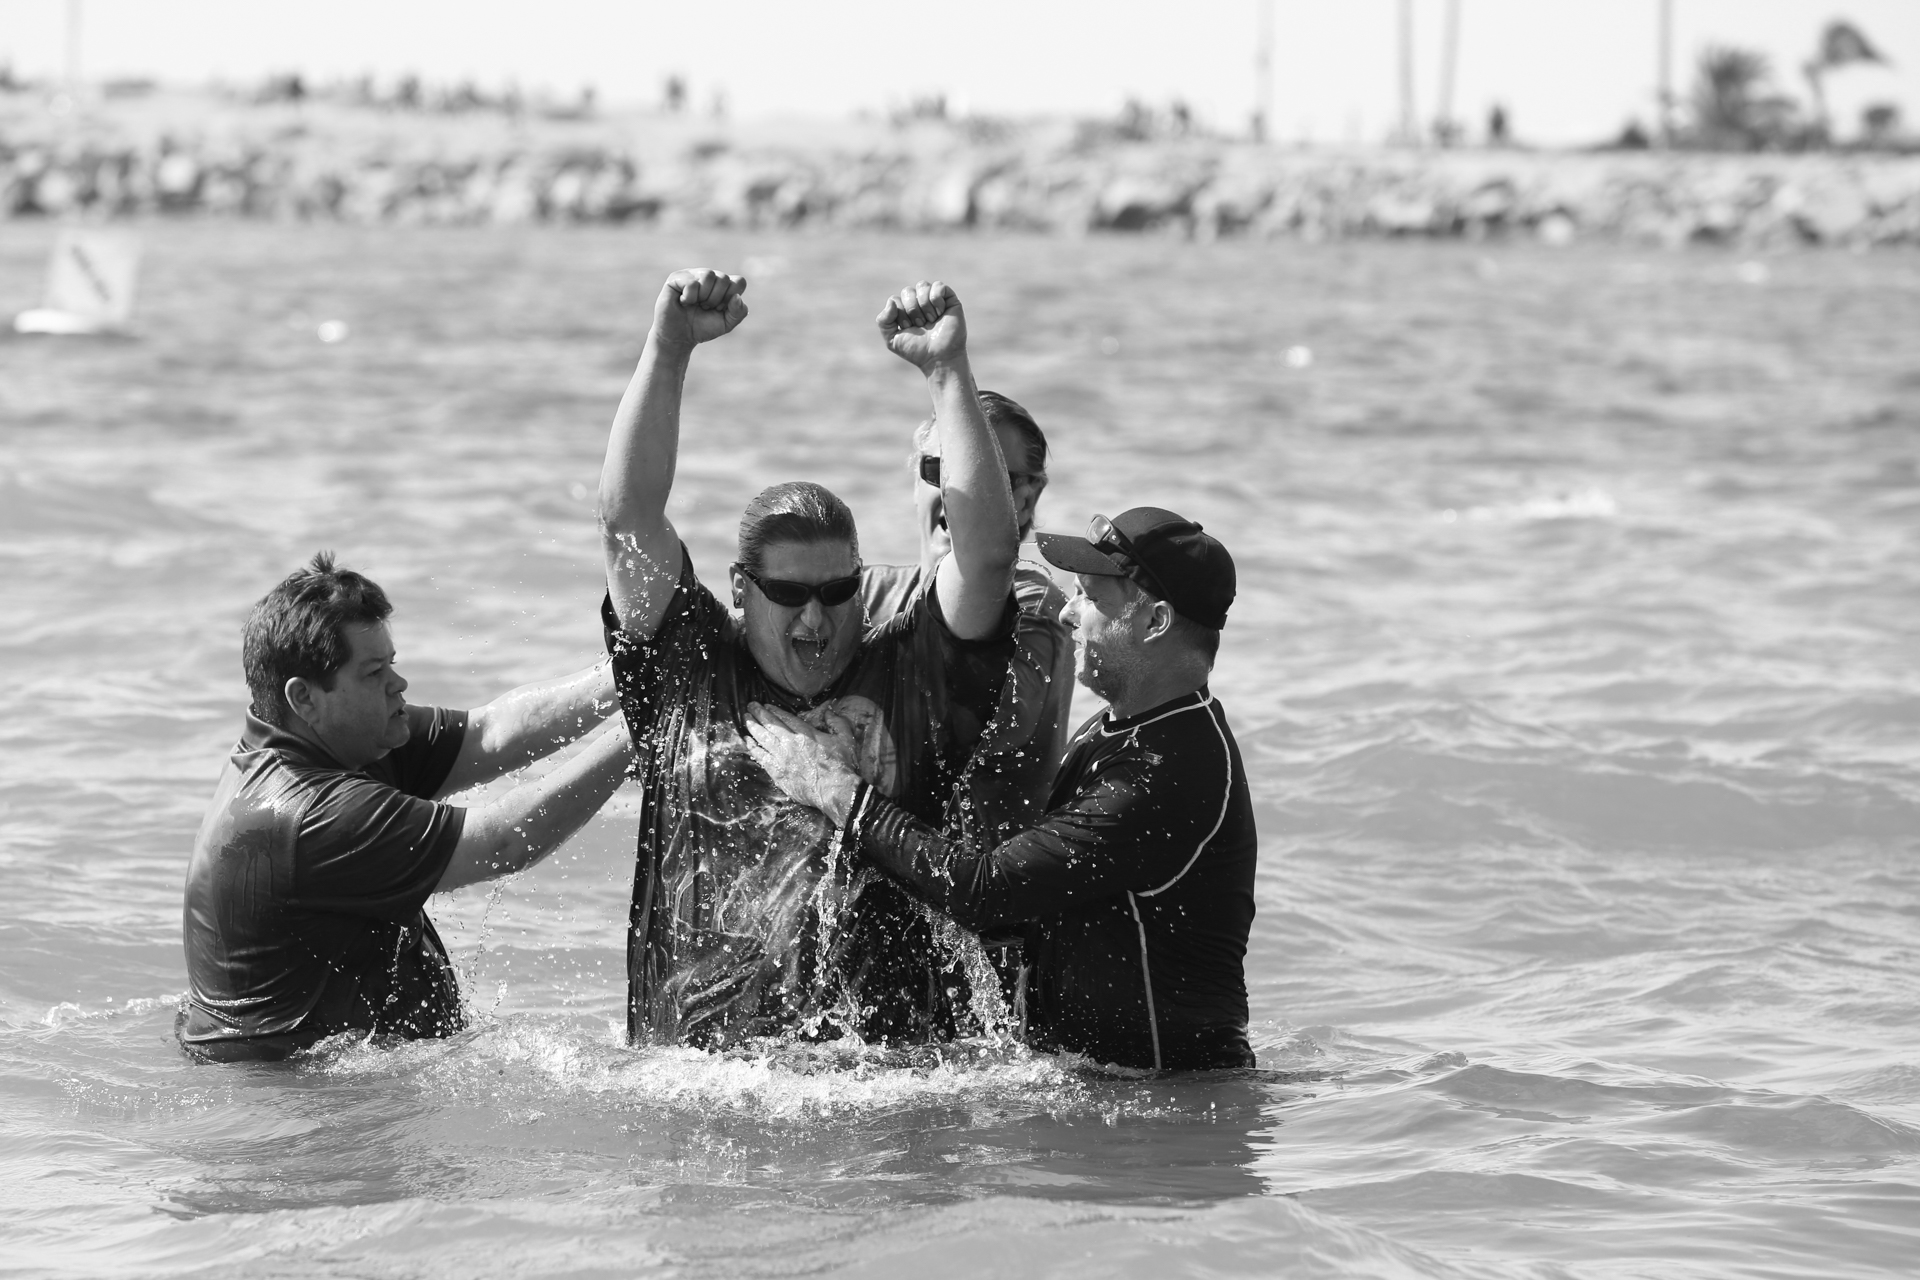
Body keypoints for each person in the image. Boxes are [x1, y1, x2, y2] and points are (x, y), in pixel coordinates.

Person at [597, 269, 1021, 1049]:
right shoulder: (690, 671)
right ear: (739, 588)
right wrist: (668, 349)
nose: (816, 619)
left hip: (888, 1085)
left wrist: (946, 373)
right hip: (692, 1080)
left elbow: (987, 559)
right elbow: (628, 521)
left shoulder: (911, 674)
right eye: (789, 594)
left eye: (838, 590)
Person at [746, 507, 1257, 1072]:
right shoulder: (1119, 731)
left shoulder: (1165, 770)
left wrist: (834, 787)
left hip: (1173, 1098)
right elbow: (1025, 901)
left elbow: (986, 892)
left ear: (1155, 621)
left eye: (1090, 597)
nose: (1067, 612)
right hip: (1116, 1090)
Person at [180, 553, 631, 1062]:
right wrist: (639, 736)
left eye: (391, 664)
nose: (398, 684)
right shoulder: (312, 813)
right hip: (287, 1093)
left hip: (326, 1073)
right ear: (304, 698)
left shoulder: (346, 739)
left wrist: (632, 673)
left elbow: (490, 733)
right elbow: (502, 841)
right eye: (374, 672)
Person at [860, 390, 1076, 848]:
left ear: (1026, 499)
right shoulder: (865, 592)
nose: (959, 494)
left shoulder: (1033, 607)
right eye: (940, 471)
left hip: (978, 880)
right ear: (915, 481)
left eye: (988, 478)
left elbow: (974, 723)